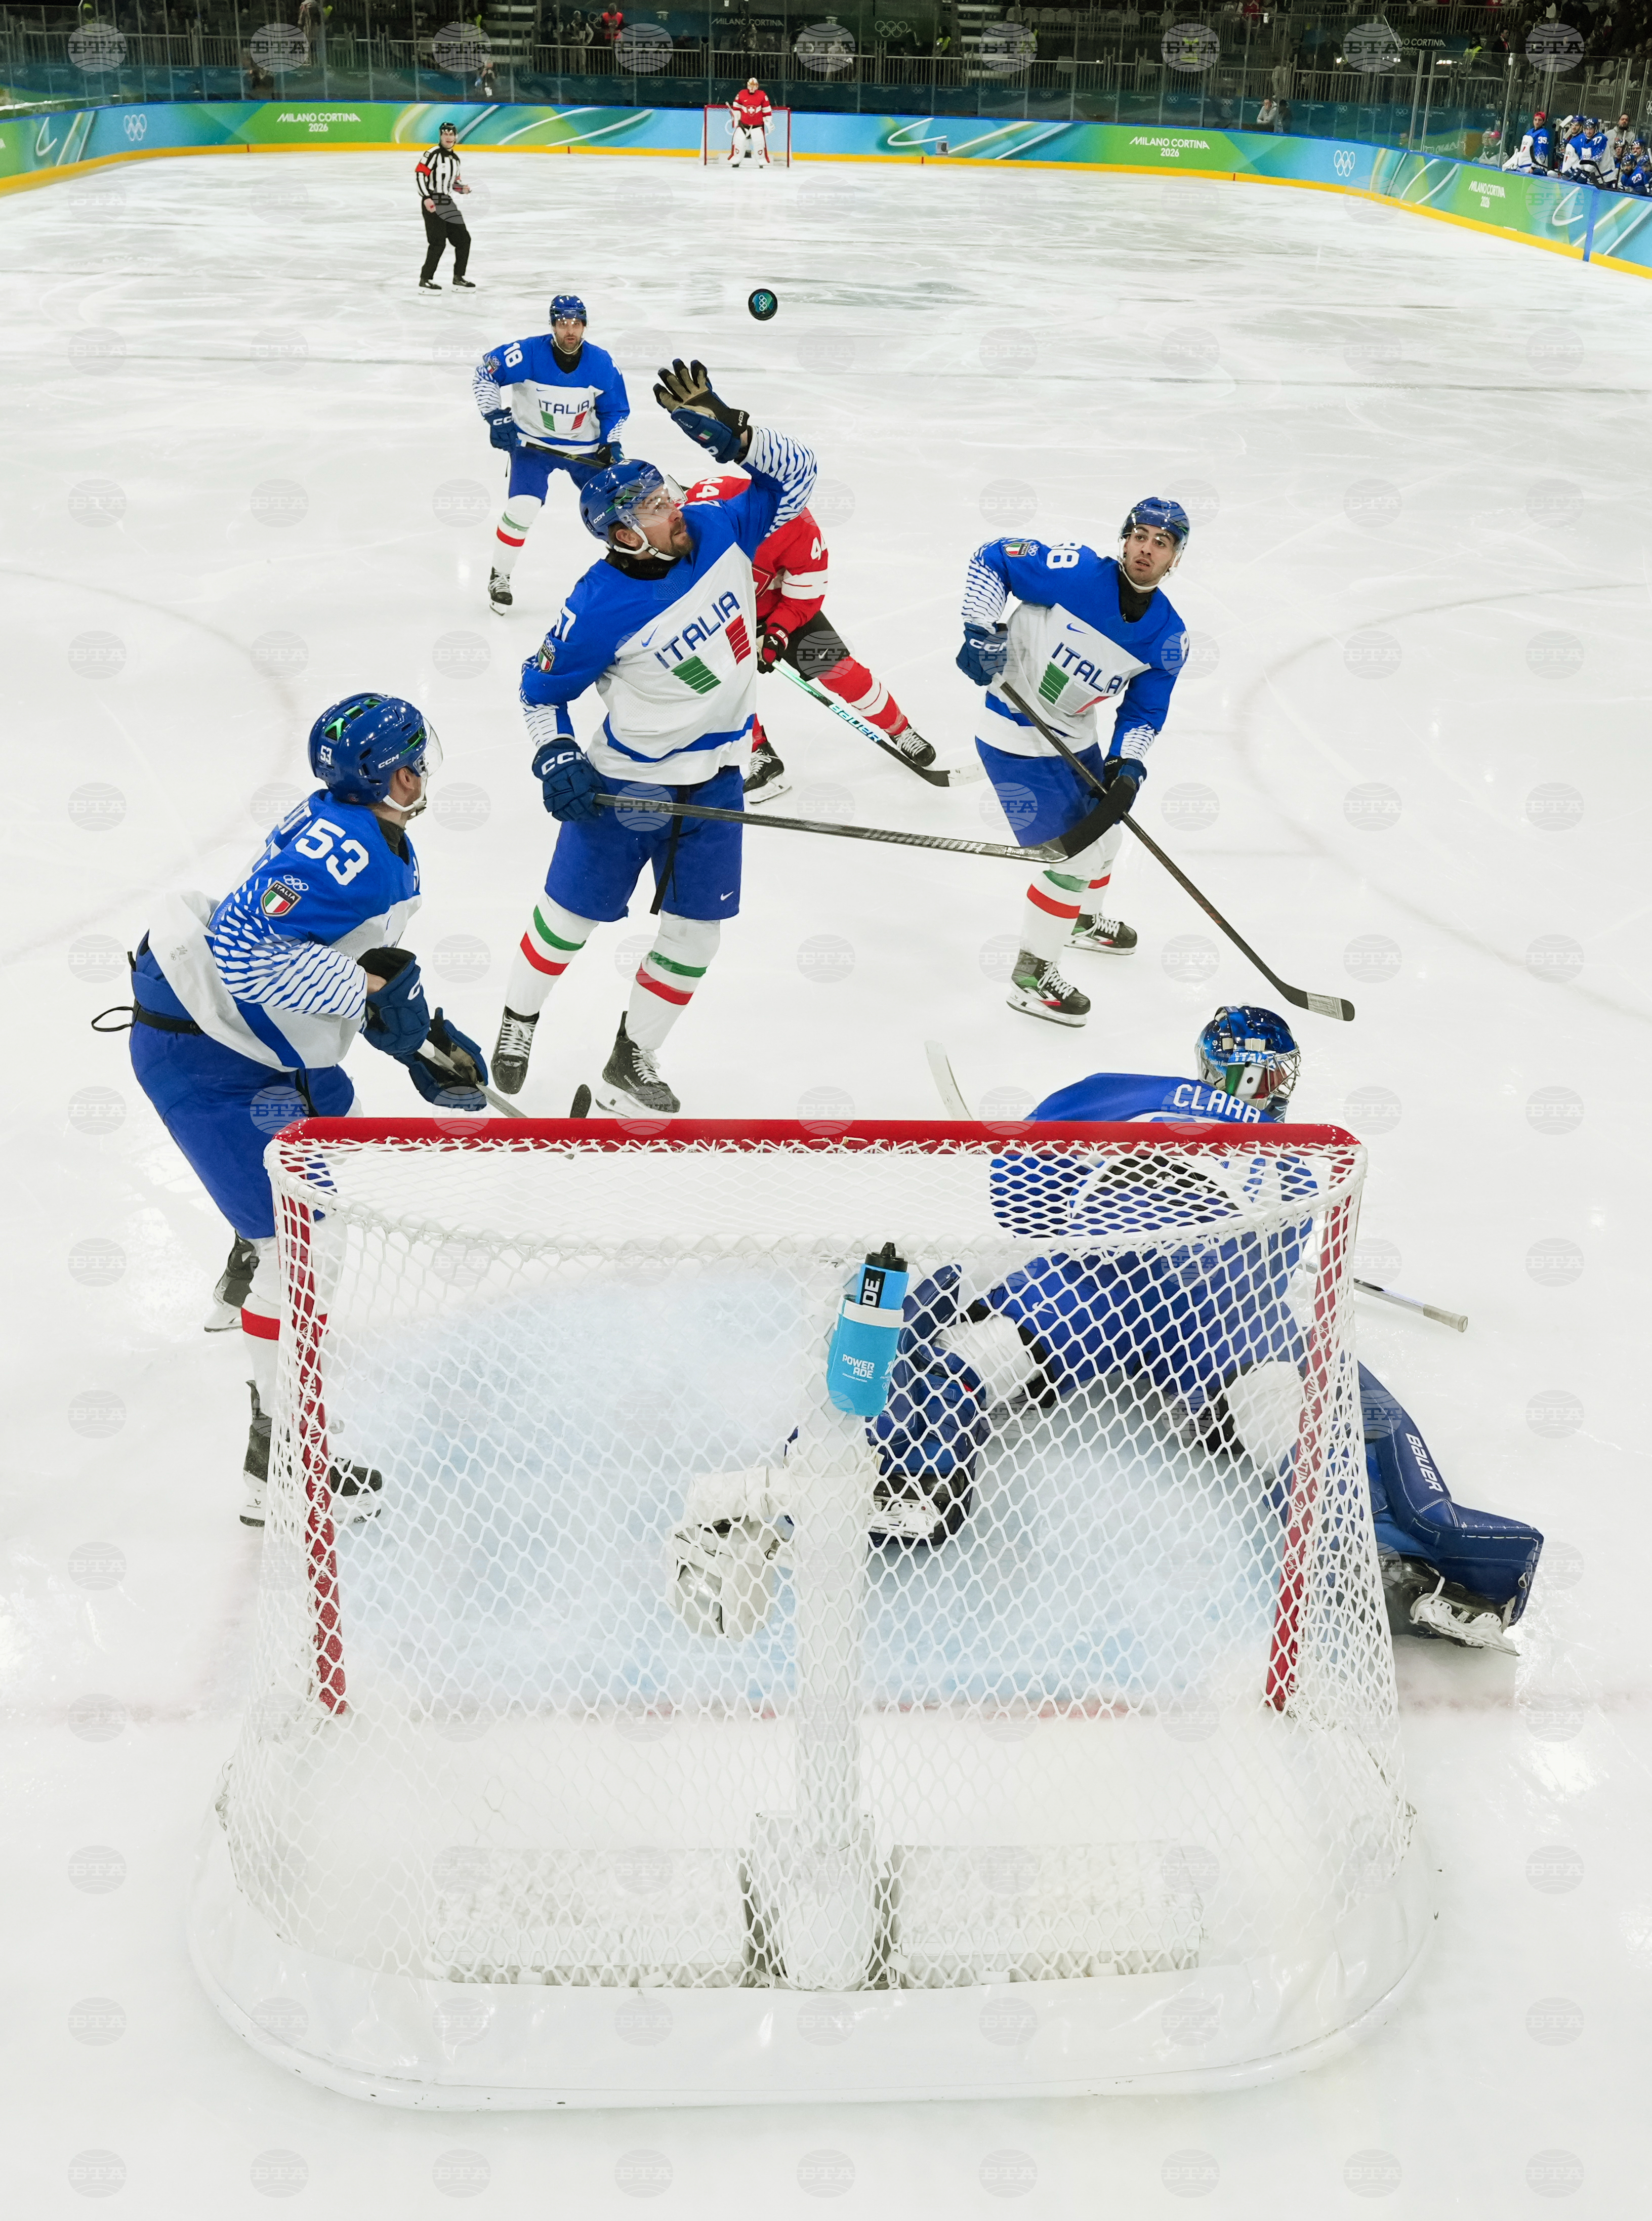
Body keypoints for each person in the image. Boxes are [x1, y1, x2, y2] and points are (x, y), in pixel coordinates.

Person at [672, 1006, 1544, 1654]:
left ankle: (891, 1475)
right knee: (1286, 1403)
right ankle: (1386, 1552)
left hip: (1094, 1279)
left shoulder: (1130, 1094)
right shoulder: (1304, 1149)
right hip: (1220, 1312)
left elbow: (1018, 1193)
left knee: (974, 1343)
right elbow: (1278, 1261)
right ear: (1282, 1080)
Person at [108, 694, 489, 1527]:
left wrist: (415, 1031)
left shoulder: (351, 823)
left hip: (241, 1043)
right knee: (302, 1252)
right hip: (206, 1058)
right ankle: (279, 1456)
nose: (423, 770)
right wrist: (369, 994)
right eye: (414, 758)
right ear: (393, 774)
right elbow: (244, 954)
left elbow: (320, 954)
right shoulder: (354, 852)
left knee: (333, 1110)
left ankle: (249, 1254)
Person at [489, 359, 817, 1112]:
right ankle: (518, 1019)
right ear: (624, 534)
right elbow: (540, 692)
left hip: (719, 776)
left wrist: (740, 432)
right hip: (628, 784)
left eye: (668, 494)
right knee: (567, 922)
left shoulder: (720, 524)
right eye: (656, 507)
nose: (675, 508)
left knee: (697, 937)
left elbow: (801, 477)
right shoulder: (596, 607)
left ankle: (633, 1055)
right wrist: (556, 751)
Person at [954, 500, 1190, 1026]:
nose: (1147, 547)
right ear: (1125, 539)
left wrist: (1127, 767)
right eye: (1141, 535)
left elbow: (1145, 709)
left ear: (1176, 558)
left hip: (1073, 733)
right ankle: (1032, 977)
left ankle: (1080, 921)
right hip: (1012, 731)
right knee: (1073, 861)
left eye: (1163, 541)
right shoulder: (1075, 571)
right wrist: (979, 626)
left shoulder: (1168, 636)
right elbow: (990, 558)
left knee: (1107, 839)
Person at [680, 472, 937, 802]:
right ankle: (760, 753)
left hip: (775, 611)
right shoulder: (712, 497)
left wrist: (776, 635)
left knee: (841, 672)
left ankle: (900, 730)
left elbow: (803, 598)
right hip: (716, 610)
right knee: (711, 682)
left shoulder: (802, 531)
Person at [474, 293, 629, 613]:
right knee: (522, 509)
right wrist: (493, 415)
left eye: (576, 323)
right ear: (553, 325)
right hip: (533, 447)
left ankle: (637, 579)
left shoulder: (601, 363)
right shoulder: (527, 354)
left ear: (584, 325)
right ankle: (499, 576)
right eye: (562, 323)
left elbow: (616, 409)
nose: (569, 331)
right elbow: (485, 373)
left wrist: (611, 443)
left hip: (584, 449)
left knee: (618, 516)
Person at [416, 119, 474, 293]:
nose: (448, 137)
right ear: (440, 136)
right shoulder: (433, 154)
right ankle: (425, 279)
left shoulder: (455, 160)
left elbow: (454, 182)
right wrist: (427, 197)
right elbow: (420, 174)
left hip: (446, 201)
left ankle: (459, 278)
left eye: (451, 134)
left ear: (456, 137)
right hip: (434, 199)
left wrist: (462, 188)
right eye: (445, 134)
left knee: (464, 240)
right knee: (438, 242)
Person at [729, 76, 774, 163]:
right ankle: (736, 159)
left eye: (754, 86)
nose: (752, 88)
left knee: (759, 144)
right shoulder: (742, 93)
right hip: (743, 125)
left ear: (757, 86)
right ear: (747, 86)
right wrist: (736, 118)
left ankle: (761, 160)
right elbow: (736, 107)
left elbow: (767, 110)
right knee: (738, 141)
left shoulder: (762, 95)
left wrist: (768, 122)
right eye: (750, 86)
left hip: (757, 126)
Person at [1504, 108, 1552, 172]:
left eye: (1540, 120)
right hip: (1523, 165)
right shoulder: (1529, 132)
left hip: (1533, 167)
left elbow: (1541, 152)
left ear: (1543, 122)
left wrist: (1534, 168)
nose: (1537, 122)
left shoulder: (1543, 134)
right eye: (1536, 120)